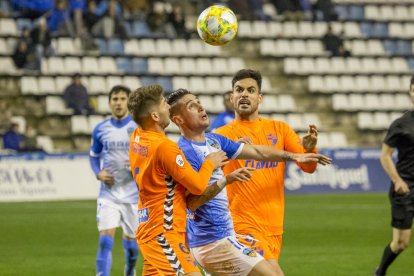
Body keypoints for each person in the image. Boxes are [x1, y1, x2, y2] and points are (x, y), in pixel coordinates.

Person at [166, 88, 331, 275]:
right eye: (192, 106)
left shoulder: (214, 141)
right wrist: (225, 180)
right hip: (211, 243)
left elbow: (258, 152)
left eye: (198, 101)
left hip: (225, 237)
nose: (200, 106)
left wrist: (295, 156)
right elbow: (191, 202)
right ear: (178, 119)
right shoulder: (185, 152)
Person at [215, 69, 321, 275]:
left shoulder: (280, 129)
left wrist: (308, 149)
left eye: (251, 90)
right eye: (239, 90)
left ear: (259, 97)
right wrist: (230, 151)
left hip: (273, 228)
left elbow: (309, 167)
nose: (244, 94)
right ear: (232, 97)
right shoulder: (220, 135)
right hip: (240, 224)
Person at [127, 84, 228, 275]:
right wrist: (209, 163)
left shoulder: (137, 137)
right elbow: (198, 187)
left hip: (150, 227)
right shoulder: (165, 148)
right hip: (164, 232)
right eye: (165, 104)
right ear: (155, 116)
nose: (168, 108)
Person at [89, 85, 139, 276]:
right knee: (105, 240)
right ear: (109, 102)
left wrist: (138, 167)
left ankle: (130, 270)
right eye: (115, 99)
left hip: (133, 195)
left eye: (122, 99)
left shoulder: (138, 128)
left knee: (133, 247)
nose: (118, 103)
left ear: (128, 102)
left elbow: (150, 156)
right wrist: (98, 173)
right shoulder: (101, 129)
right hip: (108, 193)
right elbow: (93, 156)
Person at [374, 76, 414, 276]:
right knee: (400, 243)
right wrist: (398, 180)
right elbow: (385, 155)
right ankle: (380, 271)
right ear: (410, 93)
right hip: (405, 188)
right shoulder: (401, 124)